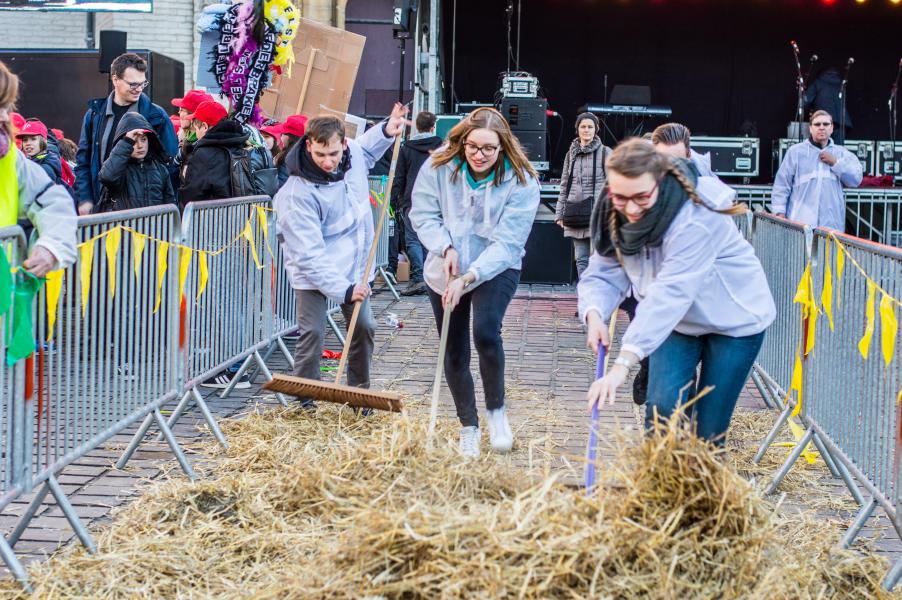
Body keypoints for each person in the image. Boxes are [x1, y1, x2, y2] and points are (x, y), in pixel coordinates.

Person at [579, 138, 775, 445]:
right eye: (621, 197)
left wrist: (622, 365)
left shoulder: (694, 218)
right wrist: (594, 314)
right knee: (662, 411)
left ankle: (702, 484)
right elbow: (604, 272)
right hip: (677, 323)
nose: (630, 209)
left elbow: (671, 293)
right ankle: (658, 487)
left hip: (733, 321)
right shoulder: (612, 212)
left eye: (642, 197)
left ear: (660, 181)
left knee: (708, 432)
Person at [410, 107, 540, 458]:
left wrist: (470, 275)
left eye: (489, 149)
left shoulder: (521, 179)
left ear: (503, 148)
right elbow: (422, 213)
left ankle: (497, 412)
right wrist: (444, 246)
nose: (480, 155)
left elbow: (508, 242)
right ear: (462, 142)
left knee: (485, 331)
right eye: (473, 147)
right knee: (453, 349)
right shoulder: (438, 166)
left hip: (496, 266)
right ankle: (468, 425)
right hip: (445, 268)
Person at [273, 104, 408, 409]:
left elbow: (368, 150)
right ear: (309, 146)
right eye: (320, 155)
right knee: (312, 334)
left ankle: (358, 395)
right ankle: (303, 402)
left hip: (353, 266)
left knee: (364, 327)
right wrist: (345, 291)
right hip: (314, 273)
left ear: (342, 145)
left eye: (333, 154)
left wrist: (388, 129)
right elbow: (309, 254)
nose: (327, 161)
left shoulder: (353, 155)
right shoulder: (296, 194)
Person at [75, 53, 178, 215]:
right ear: (115, 80)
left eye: (142, 84)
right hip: (101, 207)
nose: (138, 89)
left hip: (144, 213)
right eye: (133, 84)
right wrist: (85, 198)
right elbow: (83, 161)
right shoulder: (94, 115)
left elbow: (170, 165)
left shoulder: (156, 115)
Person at [0, 60, 77, 277]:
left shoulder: (11, 159)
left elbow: (55, 202)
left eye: (7, 106)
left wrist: (51, 247)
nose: (5, 117)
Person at [771, 110, 863, 231]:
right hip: (800, 225)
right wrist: (779, 213)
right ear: (810, 128)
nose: (821, 128)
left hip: (831, 226)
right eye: (817, 124)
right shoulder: (795, 152)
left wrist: (836, 163)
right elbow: (781, 185)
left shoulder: (841, 153)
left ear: (831, 128)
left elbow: (856, 179)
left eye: (826, 124)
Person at [391, 111, 443, 296]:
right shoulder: (442, 147)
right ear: (433, 126)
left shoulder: (407, 148)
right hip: (437, 199)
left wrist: (395, 198)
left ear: (417, 126)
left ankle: (418, 277)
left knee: (412, 238)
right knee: (433, 238)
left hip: (411, 199)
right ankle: (431, 279)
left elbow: (400, 176)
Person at [555, 112, 611, 279]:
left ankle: (597, 297)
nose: (586, 130)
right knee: (581, 259)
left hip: (597, 214)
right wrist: (559, 213)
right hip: (575, 213)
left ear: (596, 130)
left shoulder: (604, 152)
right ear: (577, 129)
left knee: (598, 259)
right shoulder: (570, 154)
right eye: (583, 126)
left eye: (590, 127)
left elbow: (614, 184)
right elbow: (564, 184)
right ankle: (584, 296)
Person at [97, 112, 176, 212]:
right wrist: (127, 141)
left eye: (143, 139)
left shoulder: (161, 170)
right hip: (125, 227)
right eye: (134, 141)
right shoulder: (119, 169)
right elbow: (107, 176)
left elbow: (170, 207)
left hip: (153, 227)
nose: (140, 146)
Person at [179, 100, 251, 206]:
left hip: (215, 219)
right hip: (245, 215)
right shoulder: (243, 144)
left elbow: (191, 197)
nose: (194, 128)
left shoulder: (203, 155)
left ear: (204, 126)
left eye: (195, 123)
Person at [806, 68, 852, 145]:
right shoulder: (841, 84)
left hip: (822, 121)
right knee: (838, 151)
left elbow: (806, 100)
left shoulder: (818, 82)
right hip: (839, 122)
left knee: (819, 150)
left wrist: (809, 110)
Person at [273, 114, 307, 188]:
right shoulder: (305, 156)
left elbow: (278, 186)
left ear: (289, 137)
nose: (281, 136)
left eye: (282, 134)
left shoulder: (290, 158)